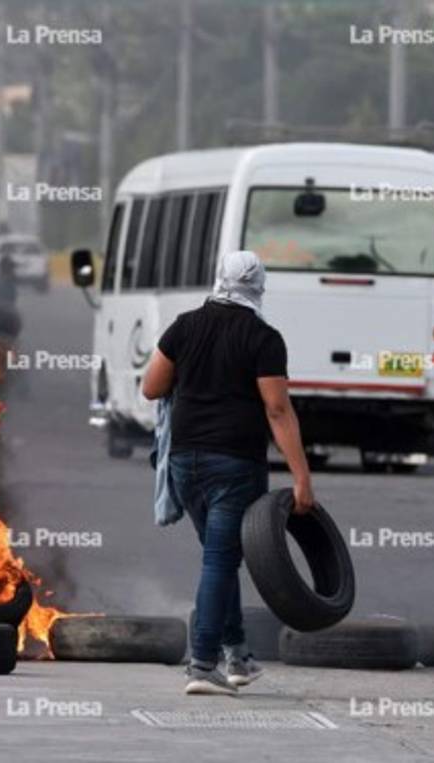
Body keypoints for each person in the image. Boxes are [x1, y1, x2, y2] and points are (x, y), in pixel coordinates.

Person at [141, 250, 315, 695]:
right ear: (259, 286)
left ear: (218, 277)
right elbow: (277, 409)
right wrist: (301, 477)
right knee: (220, 560)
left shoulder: (185, 325)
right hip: (235, 466)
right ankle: (201, 665)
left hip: (185, 463)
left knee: (222, 559)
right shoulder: (263, 338)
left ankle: (236, 655)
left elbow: (151, 386)